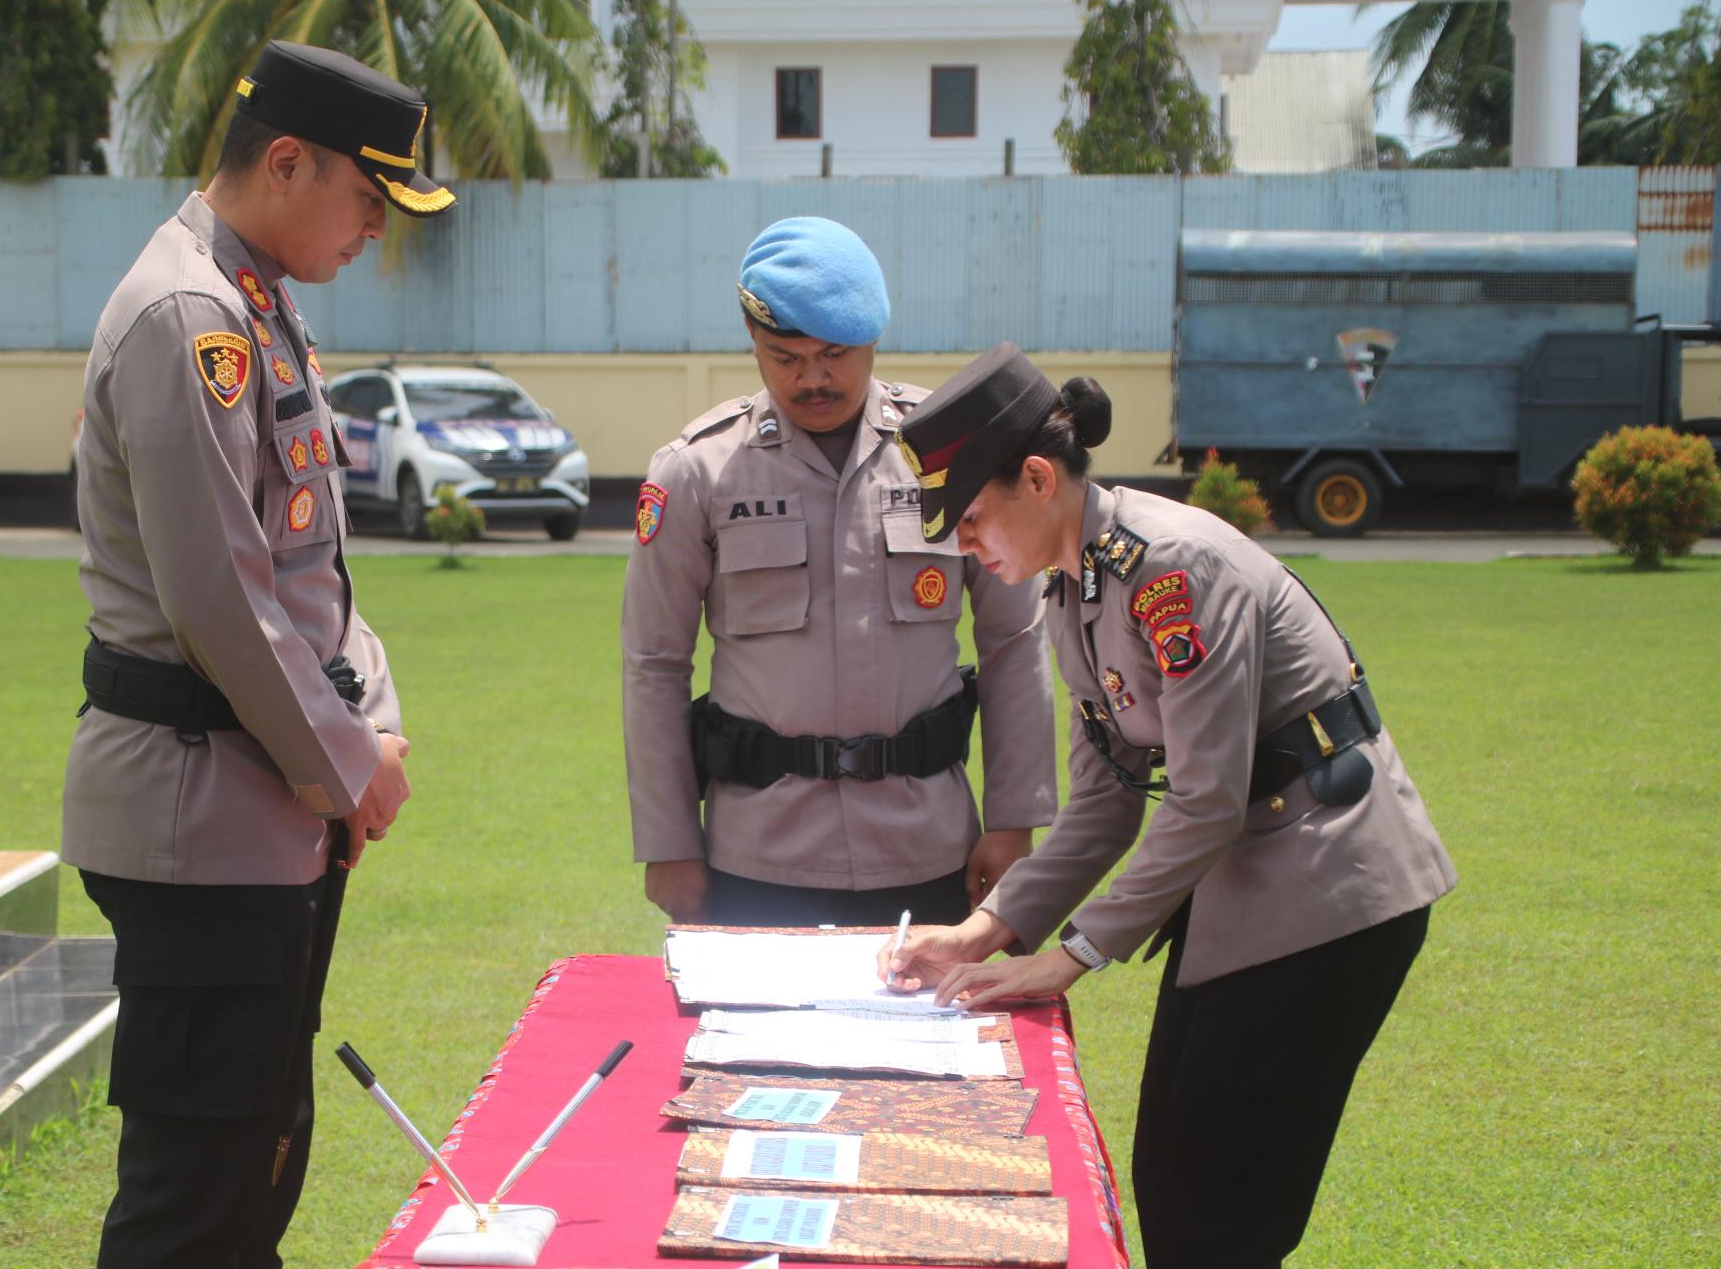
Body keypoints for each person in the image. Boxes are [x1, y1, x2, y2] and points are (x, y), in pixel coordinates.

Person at [879, 345, 1457, 1268]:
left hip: (1329, 893)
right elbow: (1105, 803)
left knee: (1219, 1208)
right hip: (1249, 880)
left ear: (1038, 479)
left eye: (972, 517)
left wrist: (1070, 955)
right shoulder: (1075, 586)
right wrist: (984, 932)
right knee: (1175, 1180)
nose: (964, 546)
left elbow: (1206, 798)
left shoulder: (1170, 571)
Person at [64, 41, 454, 1269]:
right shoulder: (189, 315)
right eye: (370, 197)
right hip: (202, 818)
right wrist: (347, 764)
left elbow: (312, 569)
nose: (377, 230)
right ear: (287, 162)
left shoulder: (257, 303)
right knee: (197, 1198)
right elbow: (219, 599)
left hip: (260, 812)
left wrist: (369, 728)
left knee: (255, 1169)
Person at [621, 218, 1056, 929]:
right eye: (785, 357)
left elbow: (1015, 639)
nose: (813, 378)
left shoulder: (950, 456)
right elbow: (655, 663)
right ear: (752, 339)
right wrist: (669, 845)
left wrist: (1014, 821)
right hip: (760, 855)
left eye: (834, 354)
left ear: (873, 339)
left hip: (927, 847)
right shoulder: (697, 472)